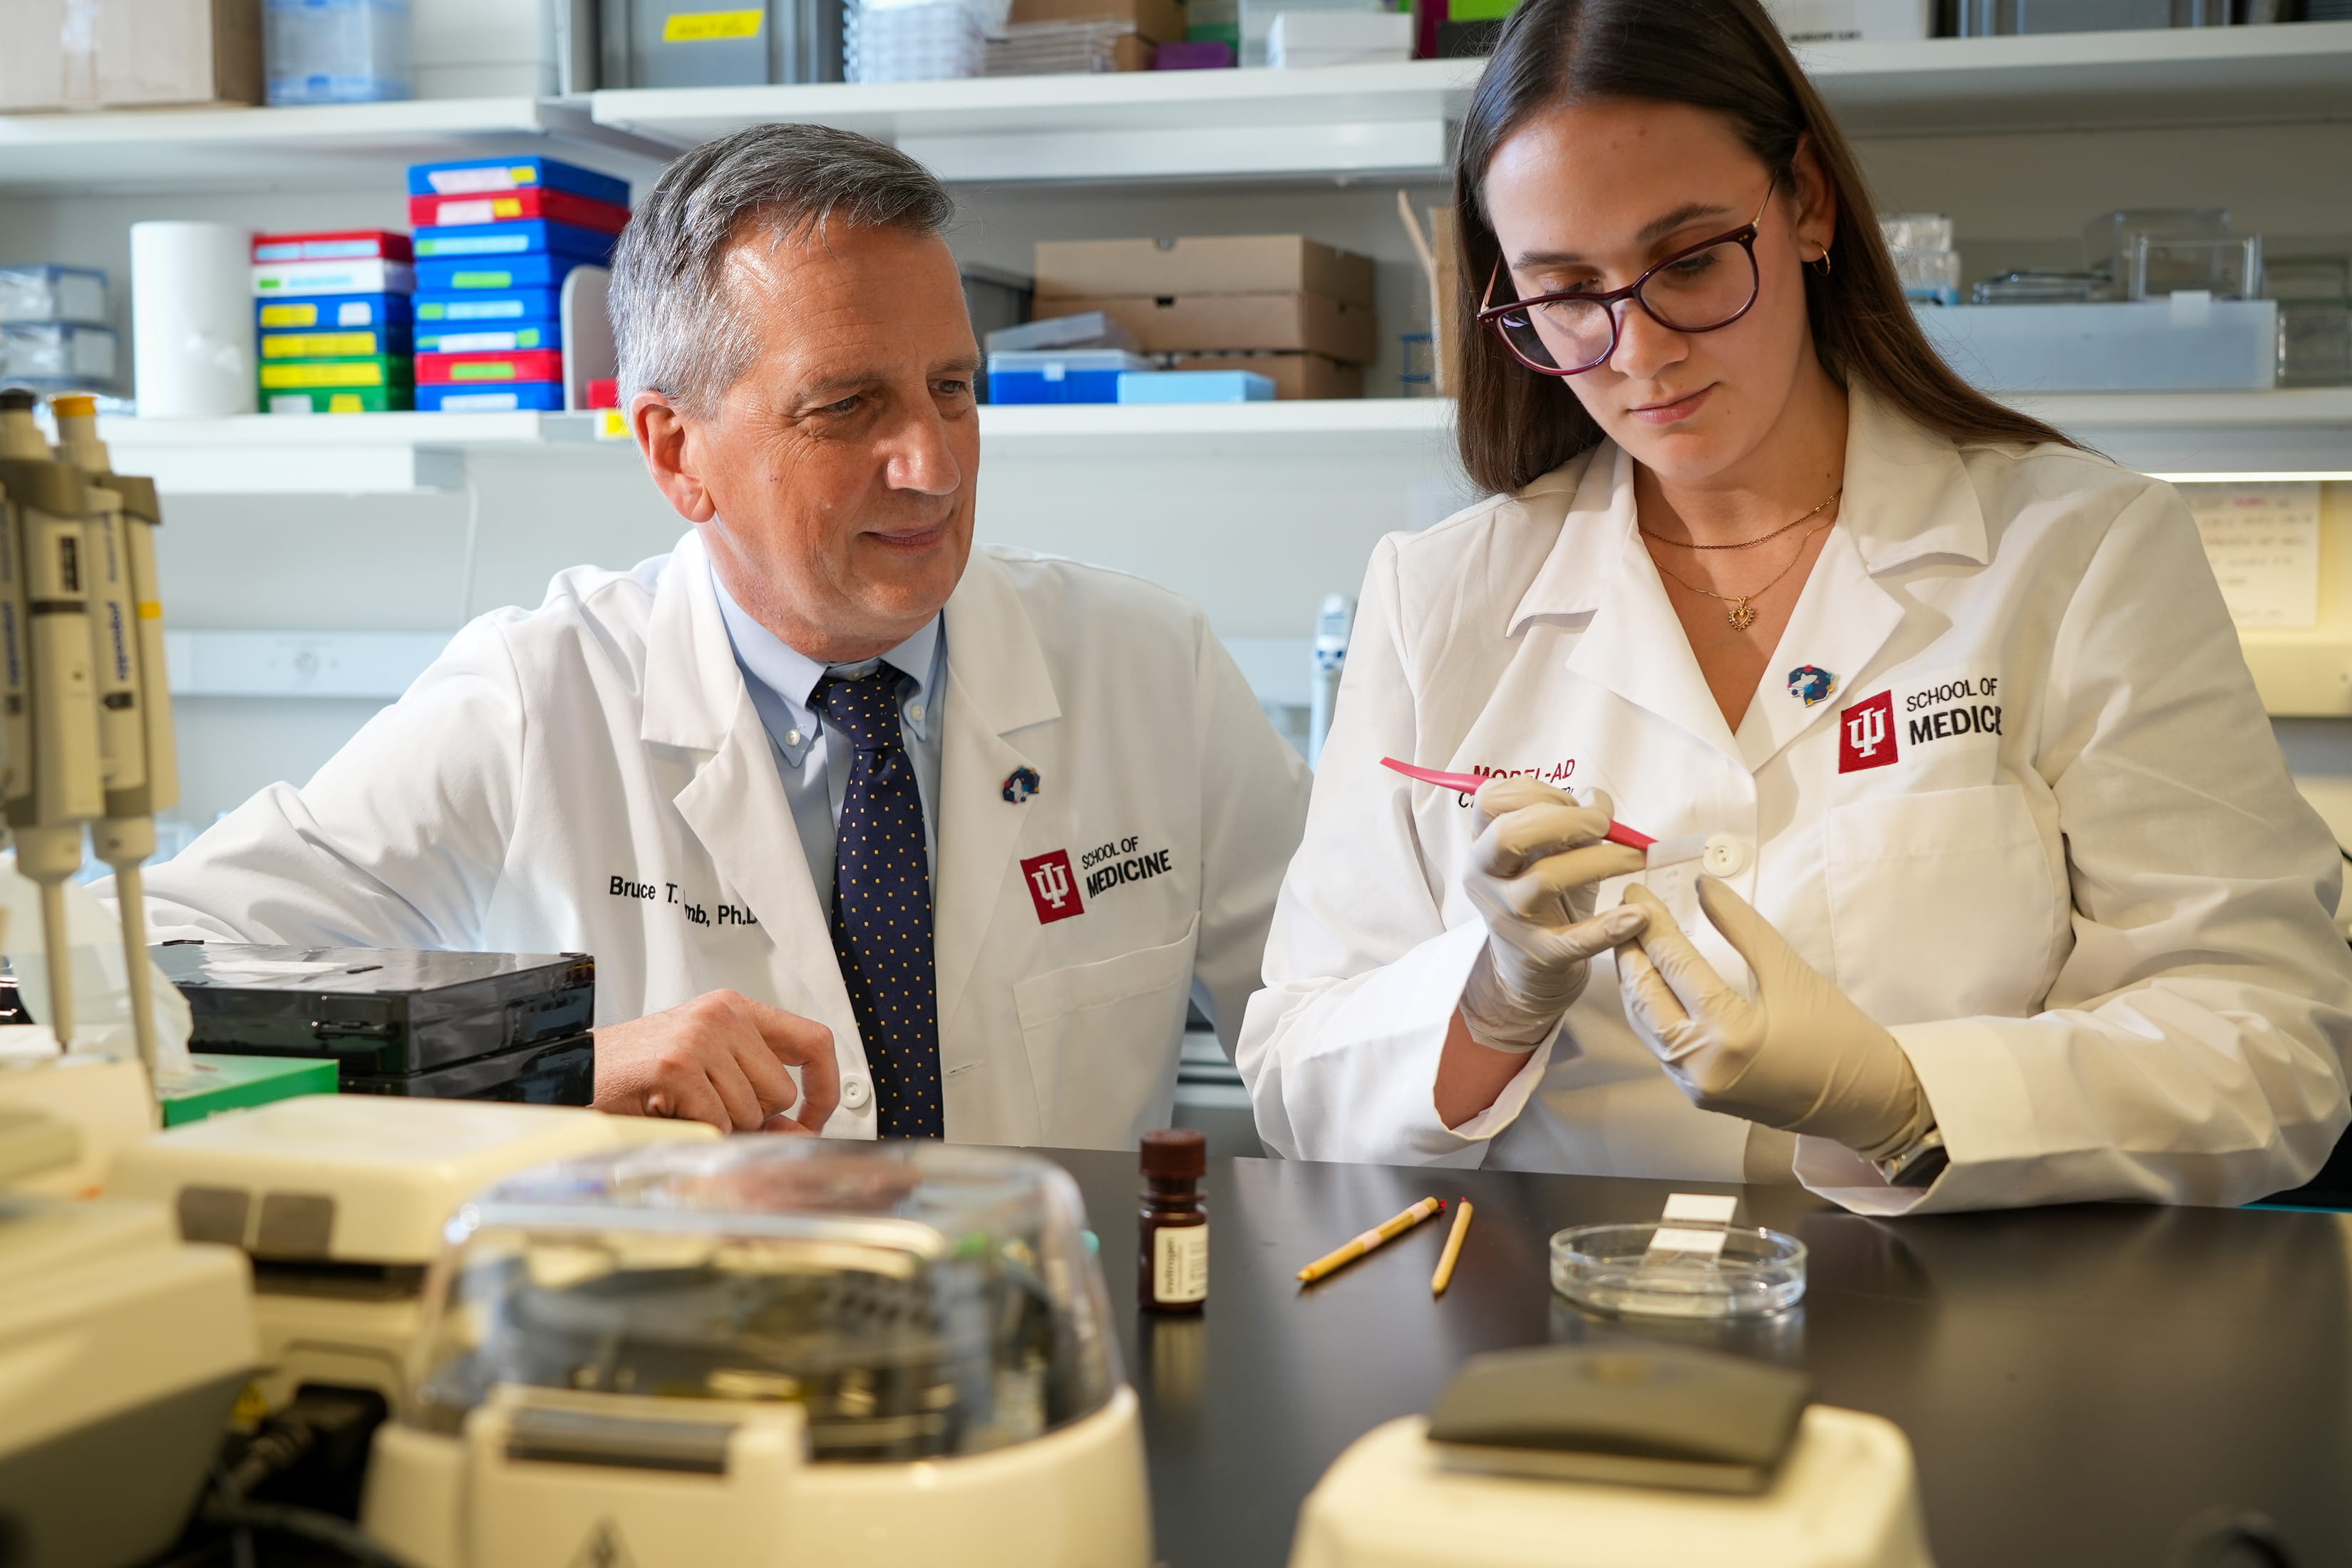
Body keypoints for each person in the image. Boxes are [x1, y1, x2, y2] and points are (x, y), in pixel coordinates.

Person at [1237, 0, 2352, 1212]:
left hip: (1960, 1313)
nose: (1640, 351)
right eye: (1566, 291)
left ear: (1808, 203)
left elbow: (2272, 1042)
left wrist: (1905, 1098)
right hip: (1554, 1314)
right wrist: (1493, 1000)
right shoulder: (1436, 597)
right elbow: (1296, 1075)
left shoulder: (2078, 552)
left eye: (1690, 262)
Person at [130, 124, 1310, 1145]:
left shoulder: (1149, 670)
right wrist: (543, 1070)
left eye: (951, 388)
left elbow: (1331, 1014)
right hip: (669, 1319)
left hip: (1046, 1304)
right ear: (674, 451)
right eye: (847, 406)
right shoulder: (537, 695)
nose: (933, 465)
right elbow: (137, 970)